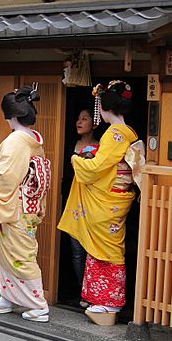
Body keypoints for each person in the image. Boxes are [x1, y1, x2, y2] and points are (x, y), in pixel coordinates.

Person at [58, 80, 138, 326]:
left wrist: (76, 160)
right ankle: (101, 300)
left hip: (108, 200)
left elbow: (96, 168)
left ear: (103, 108)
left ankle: (110, 302)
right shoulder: (130, 133)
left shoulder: (115, 134)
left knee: (108, 252)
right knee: (102, 251)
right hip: (115, 198)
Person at [0, 84, 50, 323]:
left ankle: (39, 305)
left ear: (13, 115)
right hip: (26, 204)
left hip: (16, 205)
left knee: (21, 254)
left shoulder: (16, 141)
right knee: (9, 253)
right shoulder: (32, 138)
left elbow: (6, 176)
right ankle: (7, 297)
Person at [70, 109, 99, 307]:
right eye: (78, 118)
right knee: (76, 251)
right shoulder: (71, 145)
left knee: (92, 250)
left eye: (84, 118)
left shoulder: (101, 148)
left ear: (94, 123)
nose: (79, 122)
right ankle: (83, 292)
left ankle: (93, 293)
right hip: (73, 201)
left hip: (92, 202)